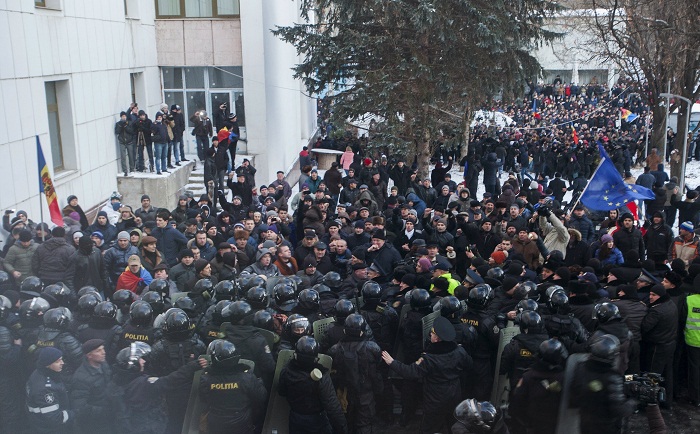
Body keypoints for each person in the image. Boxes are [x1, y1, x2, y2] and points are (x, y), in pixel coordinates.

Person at [382, 316, 472, 434]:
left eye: (433, 333)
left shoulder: (429, 359)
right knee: (453, 425)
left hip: (435, 399)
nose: (430, 334)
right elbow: (469, 364)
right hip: (454, 394)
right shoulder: (460, 351)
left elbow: (410, 372)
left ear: (437, 339)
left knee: (428, 428)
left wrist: (392, 362)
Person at [278, 336, 348, 434]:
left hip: (295, 417)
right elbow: (332, 406)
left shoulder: (286, 371)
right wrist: (343, 428)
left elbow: (281, 391)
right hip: (317, 421)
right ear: (315, 358)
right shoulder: (321, 377)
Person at [328, 314, 383, 434]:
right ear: (362, 331)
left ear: (344, 330)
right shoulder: (372, 348)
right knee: (365, 424)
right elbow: (378, 368)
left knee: (347, 422)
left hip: (344, 393)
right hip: (366, 393)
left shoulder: (334, 350)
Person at [569, 334, 636, 434]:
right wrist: (633, 402)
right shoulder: (612, 377)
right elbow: (618, 410)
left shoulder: (580, 367)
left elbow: (574, 396)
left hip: (585, 421)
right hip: (606, 426)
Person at [198, 339, 267, 434]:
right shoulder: (246, 377)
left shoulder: (206, 379)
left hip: (216, 425)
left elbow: (204, 399)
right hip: (242, 425)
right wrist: (258, 381)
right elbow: (261, 397)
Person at [510, 338, 568, 434]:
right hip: (554, 426)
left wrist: (524, 423)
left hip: (532, 425)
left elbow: (517, 400)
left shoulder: (528, 377)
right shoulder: (564, 378)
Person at [26, 347, 75, 434]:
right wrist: (74, 414)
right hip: (49, 429)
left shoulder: (41, 373)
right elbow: (55, 418)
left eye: (61, 359)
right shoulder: (45, 389)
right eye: (57, 361)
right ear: (47, 365)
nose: (62, 363)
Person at [69, 339, 113, 434]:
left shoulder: (104, 364)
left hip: (108, 419)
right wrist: (105, 411)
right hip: (95, 423)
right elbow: (80, 407)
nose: (103, 353)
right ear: (89, 355)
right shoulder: (81, 378)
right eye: (98, 351)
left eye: (103, 349)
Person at [114, 111, 136, 176]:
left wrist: (126, 126)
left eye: (125, 116)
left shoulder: (129, 123)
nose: (124, 117)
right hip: (122, 142)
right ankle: (125, 170)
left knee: (131, 156)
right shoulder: (118, 124)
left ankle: (132, 169)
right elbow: (117, 132)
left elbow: (132, 131)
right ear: (121, 117)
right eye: (123, 116)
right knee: (123, 157)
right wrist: (121, 126)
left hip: (129, 141)